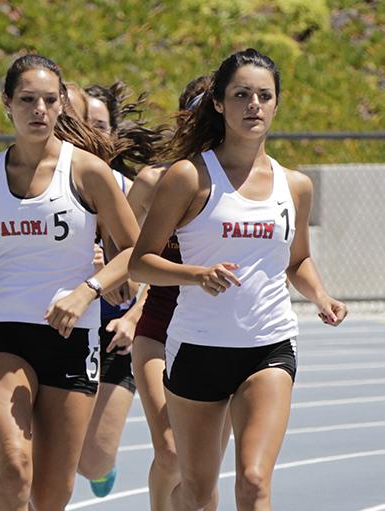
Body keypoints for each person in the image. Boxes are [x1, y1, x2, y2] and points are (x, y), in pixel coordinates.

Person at [129, 48, 347, 511]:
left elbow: (297, 261)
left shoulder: (296, 186)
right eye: (242, 94)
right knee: (197, 491)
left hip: (268, 346)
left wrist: (321, 295)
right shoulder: (189, 178)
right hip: (198, 349)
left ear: (276, 104)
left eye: (264, 96)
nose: (254, 105)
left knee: (252, 482)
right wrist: (195, 274)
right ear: (219, 104)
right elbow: (141, 262)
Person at [0, 53, 139, 511]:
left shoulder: (88, 172)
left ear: (61, 108)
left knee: (51, 496)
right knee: (14, 469)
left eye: (50, 101)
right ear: (7, 103)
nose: (39, 110)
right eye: (28, 99)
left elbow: (133, 251)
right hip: (3, 330)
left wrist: (88, 290)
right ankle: (1, 453)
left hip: (71, 335)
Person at [129, 76, 231, 511]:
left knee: (201, 468)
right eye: (197, 111)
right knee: (170, 451)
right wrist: (124, 298)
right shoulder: (155, 181)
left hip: (216, 336)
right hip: (157, 326)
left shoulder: (242, 187)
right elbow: (125, 247)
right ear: (184, 117)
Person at [76, 81, 163, 497]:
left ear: (113, 133)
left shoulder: (131, 191)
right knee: (19, 449)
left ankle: (98, 465)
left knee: (92, 461)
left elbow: (150, 262)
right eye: (79, 123)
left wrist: (132, 316)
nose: (89, 133)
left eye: (99, 124)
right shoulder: (47, 184)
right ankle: (0, 464)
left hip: (115, 334)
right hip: (60, 330)